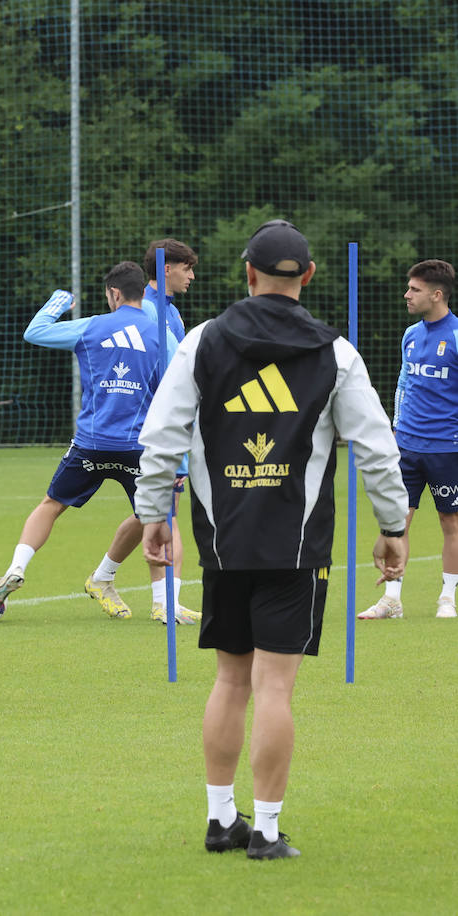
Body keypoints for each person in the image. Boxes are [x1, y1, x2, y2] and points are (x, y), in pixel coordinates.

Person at [137, 219, 407, 860]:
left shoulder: (201, 340)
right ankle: (264, 830)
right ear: (307, 277)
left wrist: (154, 510)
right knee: (276, 688)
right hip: (297, 548)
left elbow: (161, 433)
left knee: (230, 681)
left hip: (221, 541)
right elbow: (375, 446)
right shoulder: (335, 351)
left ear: (246, 272)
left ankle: (218, 818)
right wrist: (392, 526)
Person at [0, 262, 161, 620]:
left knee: (51, 504)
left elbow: (35, 333)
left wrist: (58, 302)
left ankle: (16, 568)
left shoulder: (92, 326)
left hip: (91, 442)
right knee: (153, 514)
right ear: (143, 293)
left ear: (114, 293)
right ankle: (153, 599)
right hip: (136, 446)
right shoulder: (160, 334)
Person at [359, 259, 458, 620]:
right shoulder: (410, 335)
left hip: (448, 449)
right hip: (407, 447)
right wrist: (396, 430)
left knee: (451, 522)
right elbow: (404, 385)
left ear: (436, 294)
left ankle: (447, 597)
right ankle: (392, 599)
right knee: (398, 519)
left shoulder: (457, 337)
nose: (407, 294)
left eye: (414, 289)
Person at [138, 239, 201, 625]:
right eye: (187, 268)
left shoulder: (169, 312)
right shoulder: (148, 313)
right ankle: (165, 603)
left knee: (152, 510)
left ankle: (103, 575)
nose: (192, 275)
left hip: (170, 425)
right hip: (158, 429)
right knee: (165, 512)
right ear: (166, 269)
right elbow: (175, 375)